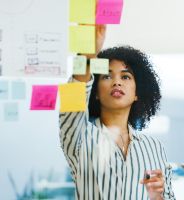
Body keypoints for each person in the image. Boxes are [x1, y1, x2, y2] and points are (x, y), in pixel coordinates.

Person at [59, 25, 175, 200]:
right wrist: (87, 55)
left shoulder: (154, 147)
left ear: (138, 93)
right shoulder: (81, 137)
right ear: (95, 92)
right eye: (107, 76)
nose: (117, 82)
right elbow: (73, 99)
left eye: (125, 76)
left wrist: (157, 196)